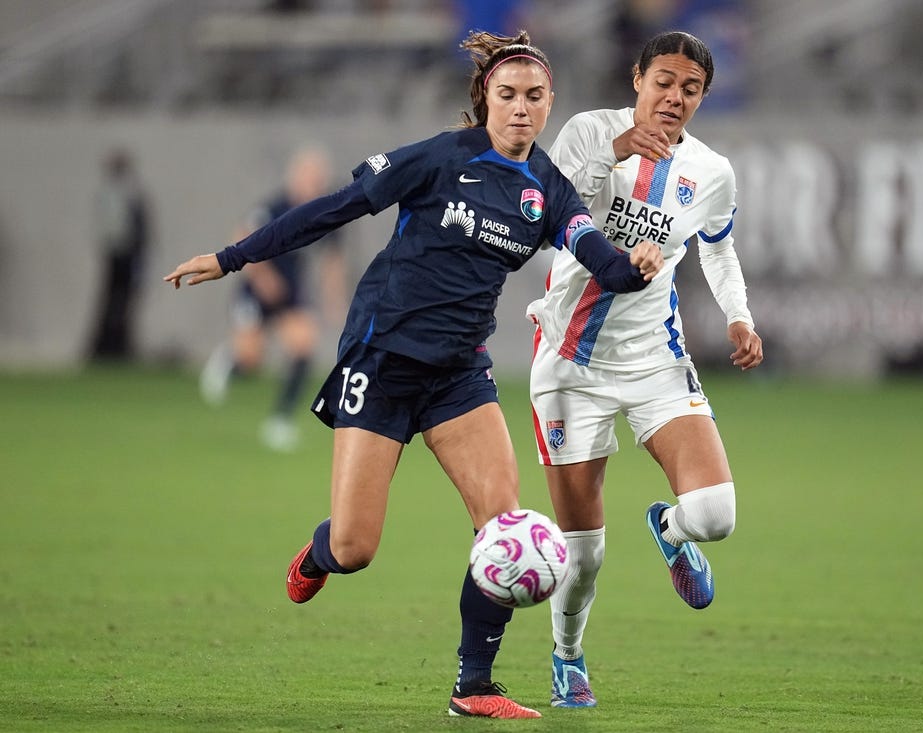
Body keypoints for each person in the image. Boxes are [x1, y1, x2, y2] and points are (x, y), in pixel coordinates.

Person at [164, 30, 664, 720]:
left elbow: (599, 260)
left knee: (504, 527)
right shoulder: (440, 157)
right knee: (355, 544)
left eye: (534, 97)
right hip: (383, 360)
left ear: (551, 104)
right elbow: (333, 210)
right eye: (508, 94)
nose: (521, 108)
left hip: (459, 374)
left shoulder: (547, 187)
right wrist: (231, 257)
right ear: (484, 97)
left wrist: (635, 265)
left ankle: (473, 685)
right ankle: (317, 553)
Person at [524, 30, 763, 708]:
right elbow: (548, 214)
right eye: (663, 80)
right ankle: (567, 656)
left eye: (689, 88)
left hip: (655, 358)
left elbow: (716, 248)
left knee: (714, 513)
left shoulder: (711, 172)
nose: (673, 96)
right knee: (584, 552)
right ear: (637, 79)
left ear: (701, 97)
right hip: (569, 364)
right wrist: (614, 153)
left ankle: (671, 530)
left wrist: (738, 317)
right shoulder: (587, 131)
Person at [199, 144, 347, 452]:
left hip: (290, 294)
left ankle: (280, 421)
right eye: (309, 176)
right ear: (295, 177)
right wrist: (264, 278)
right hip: (257, 291)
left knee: (304, 346)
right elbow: (241, 235)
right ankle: (230, 364)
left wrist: (335, 301)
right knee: (251, 361)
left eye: (319, 178)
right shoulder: (276, 207)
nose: (314, 183)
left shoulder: (328, 213)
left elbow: (332, 260)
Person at [88, 149, 152, 361]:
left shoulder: (121, 193)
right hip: (119, 256)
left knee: (121, 303)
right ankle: (109, 347)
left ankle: (116, 346)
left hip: (124, 255)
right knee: (115, 302)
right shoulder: (119, 194)